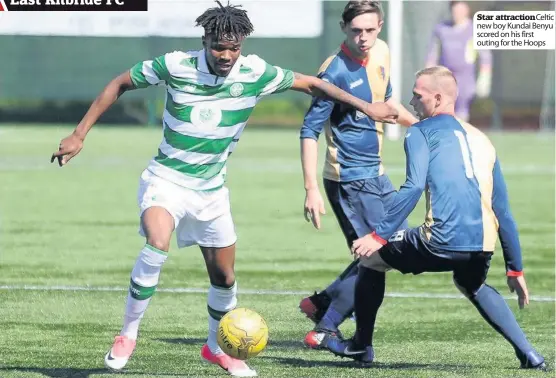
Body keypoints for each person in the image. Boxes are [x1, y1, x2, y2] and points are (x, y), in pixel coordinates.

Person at [50, 1, 398, 377]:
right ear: (205, 40)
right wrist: (79, 134)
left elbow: (313, 84)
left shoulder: (256, 72)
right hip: (166, 180)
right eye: (219, 47)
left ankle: (218, 348)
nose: (227, 55)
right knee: (157, 243)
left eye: (234, 48)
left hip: (212, 191)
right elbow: (119, 83)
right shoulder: (176, 65)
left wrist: (368, 107)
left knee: (225, 278)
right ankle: (127, 335)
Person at [326, 66, 546, 371]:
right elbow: (503, 211)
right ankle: (529, 354)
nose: (413, 102)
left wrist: (378, 235)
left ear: (438, 97)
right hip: (482, 244)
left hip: (440, 240)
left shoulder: (418, 132)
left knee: (372, 260)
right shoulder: (482, 139)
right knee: (473, 284)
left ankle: (361, 346)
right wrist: (515, 268)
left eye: (418, 95)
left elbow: (413, 186)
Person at [298, 0, 417, 351]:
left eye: (369, 30)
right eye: (356, 31)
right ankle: (327, 326)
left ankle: (323, 303)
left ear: (380, 26)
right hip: (347, 179)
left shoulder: (382, 51)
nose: (363, 38)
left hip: (375, 173)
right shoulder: (332, 72)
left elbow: (390, 105)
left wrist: (429, 128)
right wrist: (310, 189)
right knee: (382, 254)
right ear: (343, 28)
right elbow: (309, 131)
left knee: (393, 246)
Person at [425, 0, 492, 121]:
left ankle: (459, 133)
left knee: (461, 111)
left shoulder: (474, 30)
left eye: (460, 9)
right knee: (443, 108)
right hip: (446, 75)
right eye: (455, 10)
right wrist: (428, 74)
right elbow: (433, 53)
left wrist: (485, 76)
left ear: (466, 10)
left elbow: (485, 55)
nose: (457, 13)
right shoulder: (442, 29)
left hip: (465, 77)